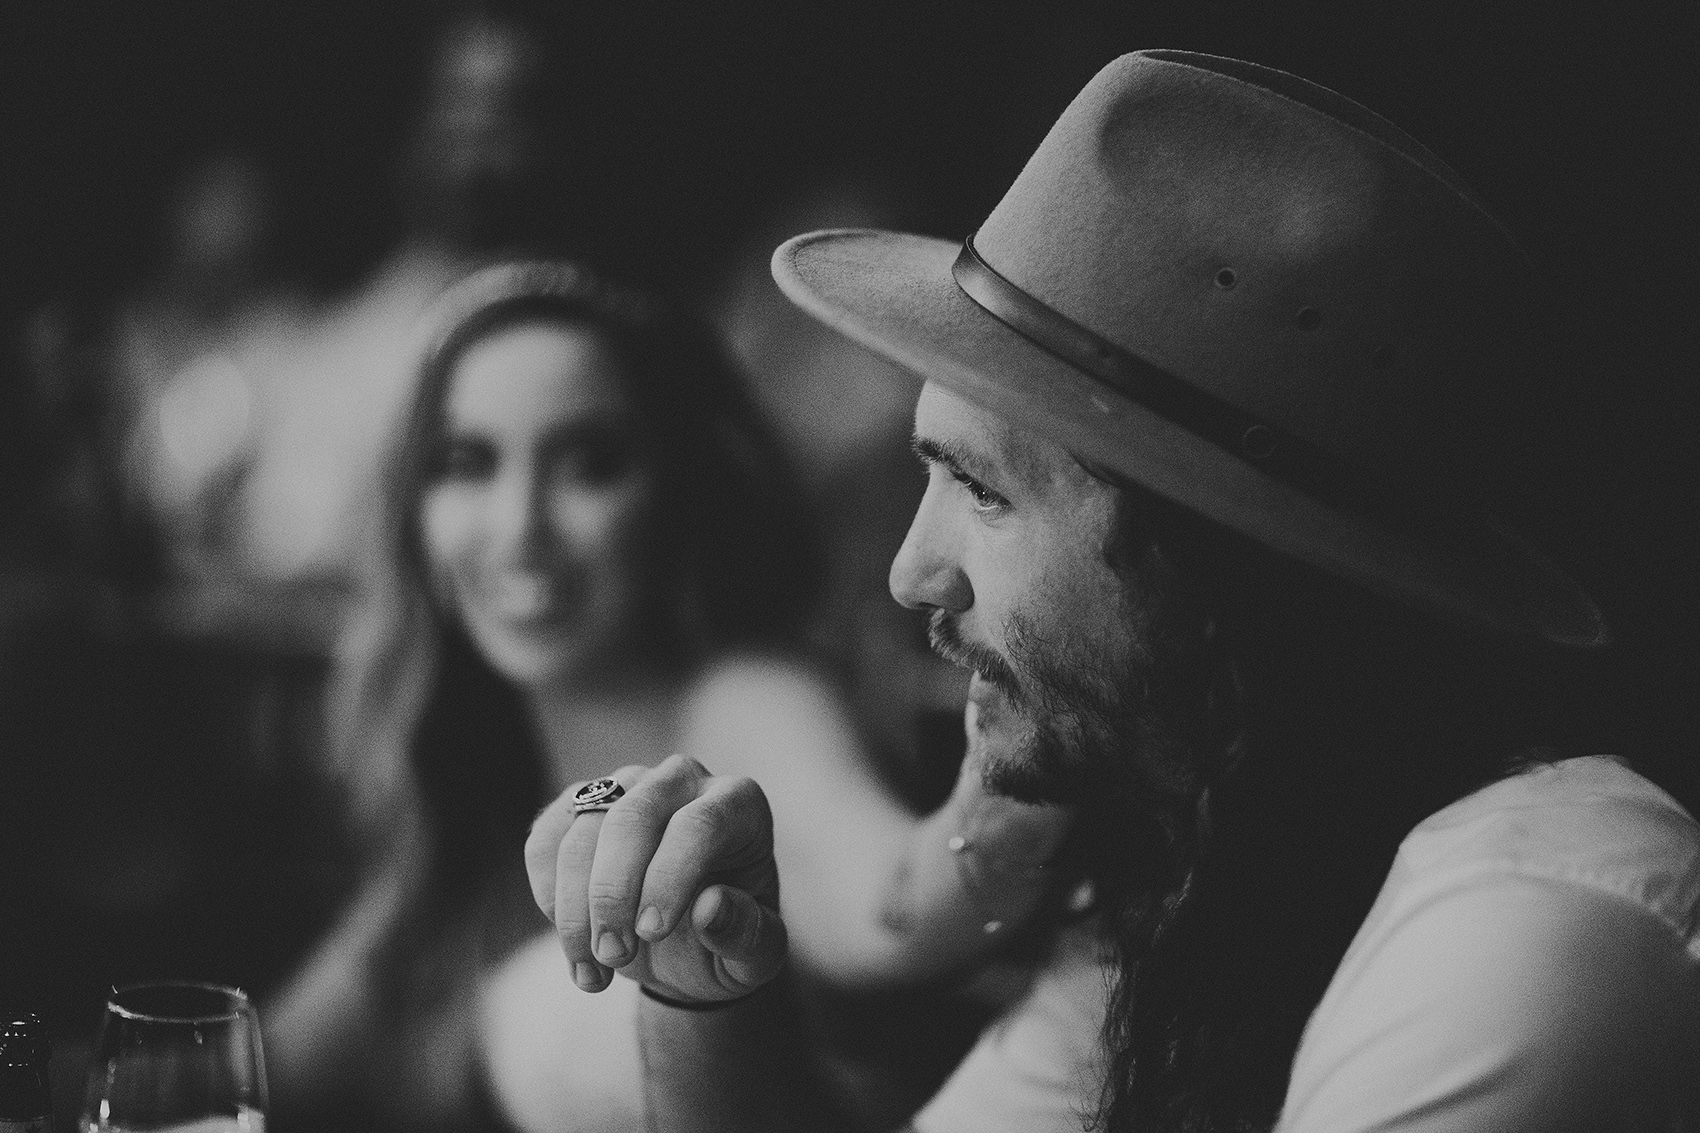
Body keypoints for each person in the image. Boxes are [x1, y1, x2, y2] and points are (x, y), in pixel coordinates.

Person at [524, 51, 1700, 1132]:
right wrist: (701, 988)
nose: (909, 574)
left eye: (981, 489)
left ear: (1211, 562)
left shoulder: (1524, 926)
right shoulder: (1207, 873)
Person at [264, 258, 1083, 1133]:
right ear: (413, 508)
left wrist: (1041, 713)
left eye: (589, 464)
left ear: (680, 487)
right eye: (468, 463)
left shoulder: (741, 699)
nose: (519, 526)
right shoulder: (473, 784)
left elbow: (900, 911)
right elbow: (270, 1066)